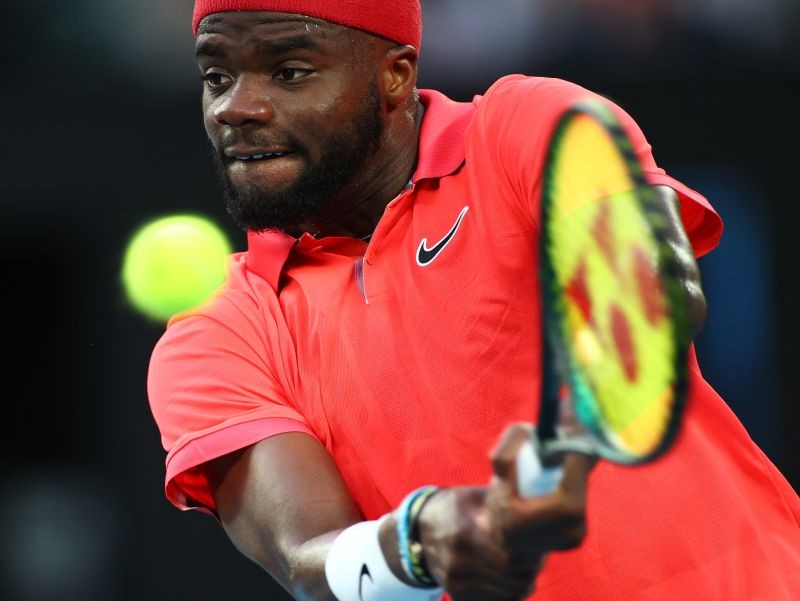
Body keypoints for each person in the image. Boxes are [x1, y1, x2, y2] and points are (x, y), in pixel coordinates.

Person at [147, 1, 800, 599]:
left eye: (288, 72)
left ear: (394, 77)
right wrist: (417, 538)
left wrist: (574, 428)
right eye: (216, 77)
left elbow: (660, 286)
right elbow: (306, 558)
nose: (235, 107)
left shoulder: (528, 124)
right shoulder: (215, 332)